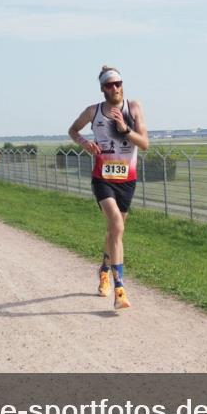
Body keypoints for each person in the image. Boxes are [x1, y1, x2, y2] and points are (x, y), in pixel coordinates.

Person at [68, 65, 149, 310]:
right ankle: (120, 289)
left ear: (122, 84)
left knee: (116, 231)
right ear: (102, 89)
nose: (114, 88)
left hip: (127, 180)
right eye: (108, 85)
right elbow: (73, 130)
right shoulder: (93, 111)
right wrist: (85, 143)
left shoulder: (133, 108)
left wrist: (125, 129)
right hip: (102, 178)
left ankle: (104, 269)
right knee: (116, 225)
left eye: (117, 83)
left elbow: (144, 143)